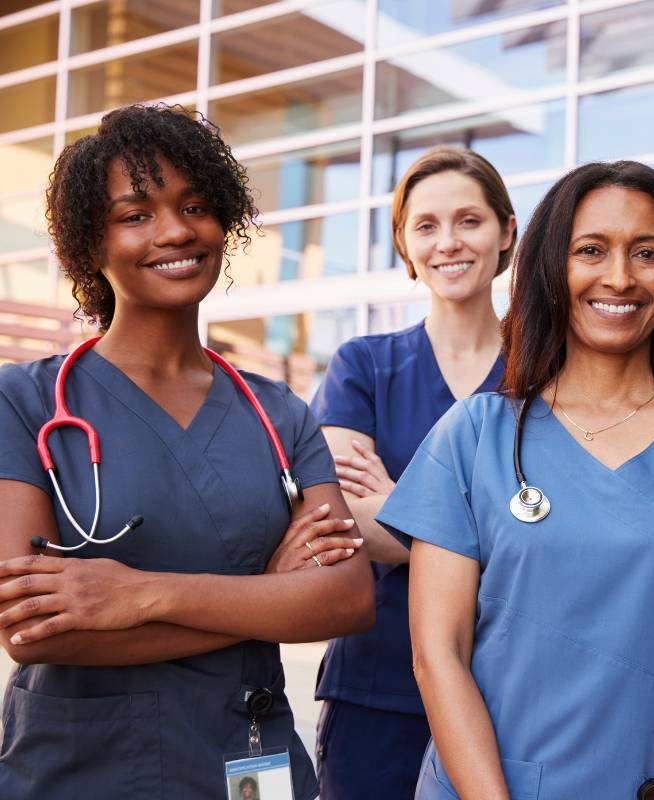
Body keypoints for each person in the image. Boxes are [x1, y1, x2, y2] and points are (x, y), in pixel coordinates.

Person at [377, 160, 654, 798]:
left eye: (646, 253)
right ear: (550, 270)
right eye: (590, 250)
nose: (619, 277)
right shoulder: (475, 436)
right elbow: (438, 654)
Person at [0, 104, 374, 798]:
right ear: (90, 243)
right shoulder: (23, 400)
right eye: (135, 214)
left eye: (195, 205)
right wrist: (268, 595)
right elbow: (33, 629)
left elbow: (348, 600)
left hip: (248, 755)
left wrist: (134, 595)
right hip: (79, 771)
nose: (174, 231)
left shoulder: (279, 412)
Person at [310, 145, 516, 798]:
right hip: (378, 691)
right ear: (403, 242)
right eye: (425, 225)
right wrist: (488, 526)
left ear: (506, 232)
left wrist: (401, 505)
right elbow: (337, 523)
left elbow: (566, 537)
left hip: (515, 692)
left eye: (469, 220)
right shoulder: (362, 367)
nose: (448, 242)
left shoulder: (548, 378)